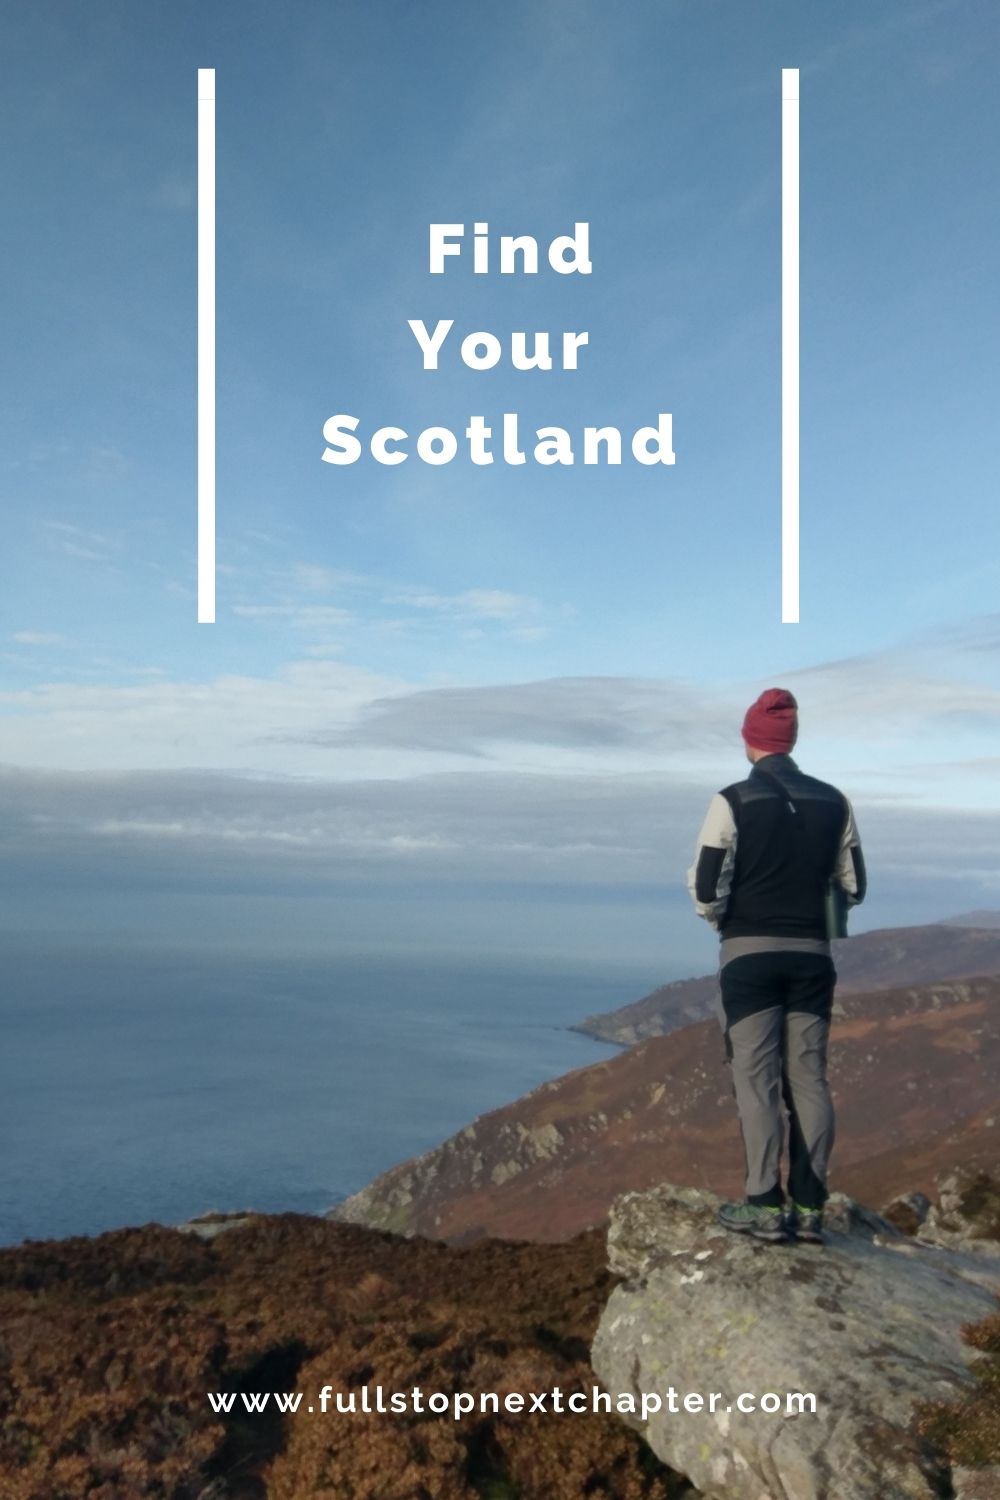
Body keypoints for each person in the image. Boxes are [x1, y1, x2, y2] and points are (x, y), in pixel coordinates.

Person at [688, 688, 866, 1244]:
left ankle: (765, 1205)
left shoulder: (732, 800)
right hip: (813, 956)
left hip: (749, 956)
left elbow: (703, 887)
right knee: (808, 1077)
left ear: (749, 741)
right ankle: (810, 1209)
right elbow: (855, 887)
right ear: (791, 740)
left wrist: (726, 919)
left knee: (756, 1080)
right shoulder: (835, 800)